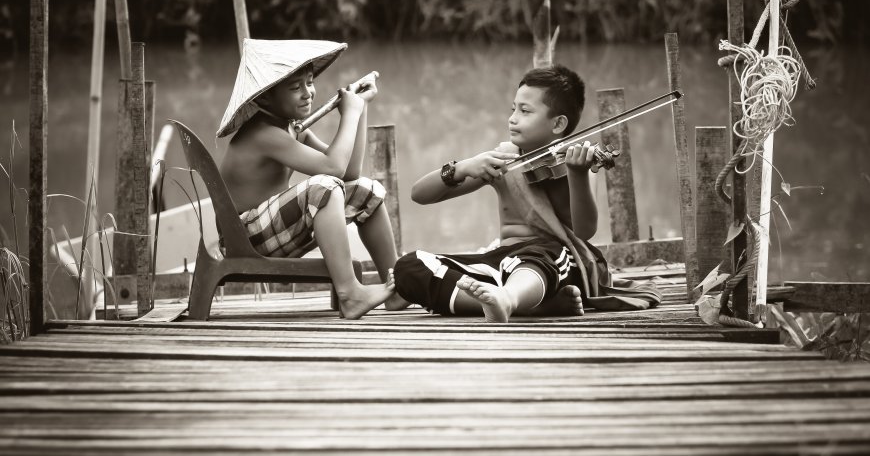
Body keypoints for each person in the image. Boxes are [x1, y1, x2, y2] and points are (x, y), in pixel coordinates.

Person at [393, 64, 661, 322]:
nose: (512, 118)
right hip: (502, 263)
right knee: (409, 267)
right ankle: (524, 306)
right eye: (513, 109)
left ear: (557, 125)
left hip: (553, 263)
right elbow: (420, 194)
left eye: (525, 111)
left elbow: (584, 231)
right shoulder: (503, 159)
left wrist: (578, 175)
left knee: (542, 255)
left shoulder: (574, 163)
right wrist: (462, 167)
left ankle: (509, 299)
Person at [217, 38, 408, 319]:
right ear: (265, 98)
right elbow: (332, 170)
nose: (308, 93)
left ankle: (400, 288)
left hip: (273, 231)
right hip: (245, 237)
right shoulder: (262, 133)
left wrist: (360, 108)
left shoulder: (292, 128)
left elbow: (349, 173)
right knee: (324, 188)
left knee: (366, 190)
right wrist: (350, 115)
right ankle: (350, 294)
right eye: (295, 88)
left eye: (309, 82)